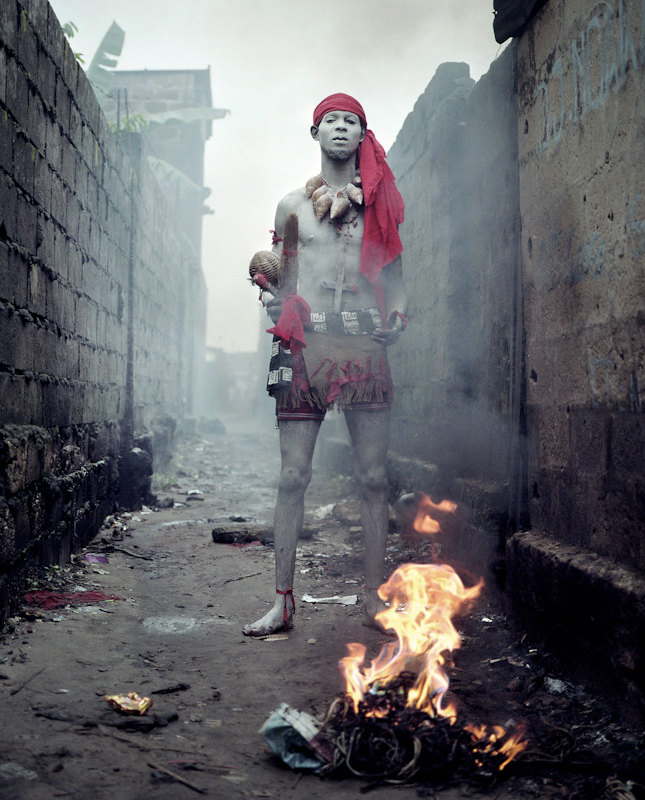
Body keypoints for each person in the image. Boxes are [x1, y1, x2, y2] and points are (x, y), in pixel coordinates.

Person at [243, 94, 408, 637]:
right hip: (305, 346)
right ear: (315, 133)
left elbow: (394, 281)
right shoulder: (291, 205)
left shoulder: (378, 206)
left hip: (363, 346)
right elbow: (287, 275)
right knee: (293, 477)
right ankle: (282, 602)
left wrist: (399, 315)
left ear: (363, 135)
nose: (341, 128)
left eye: (351, 121)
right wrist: (273, 295)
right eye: (331, 121)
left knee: (373, 477)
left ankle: (371, 600)